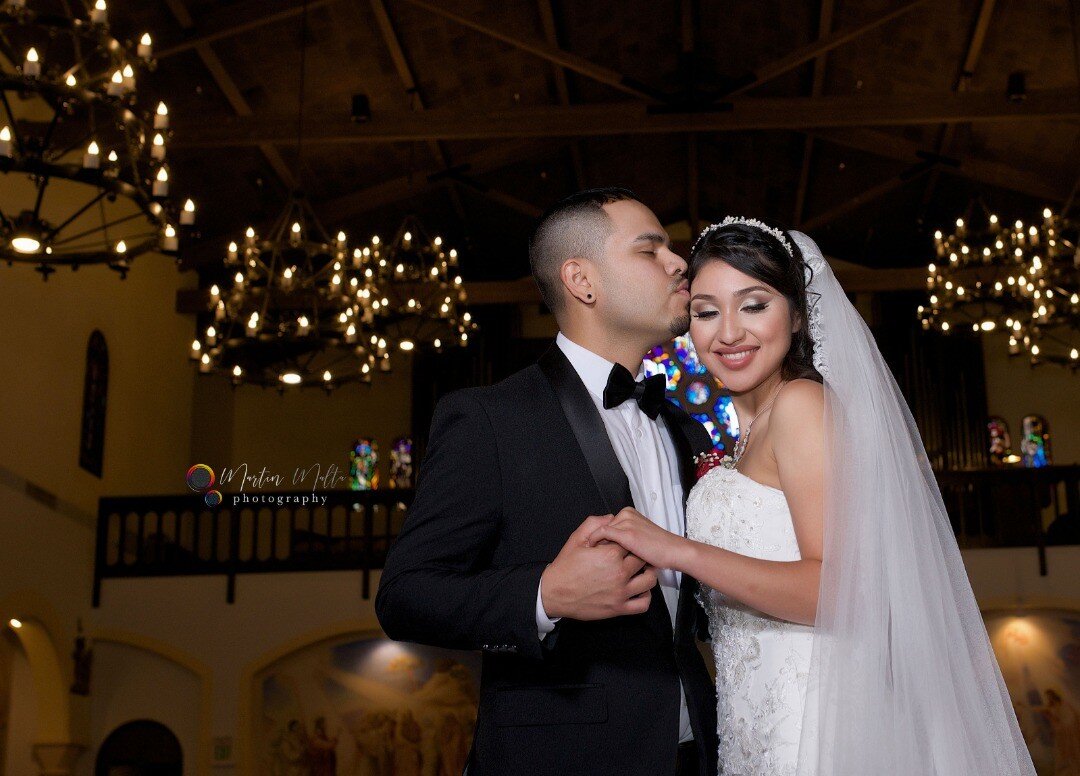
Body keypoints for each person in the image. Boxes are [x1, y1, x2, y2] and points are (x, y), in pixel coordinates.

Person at [585, 218, 1037, 775]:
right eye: (706, 311)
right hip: (752, 720)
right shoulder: (747, 430)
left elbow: (838, 589)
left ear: (797, 315)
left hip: (816, 724)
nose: (728, 332)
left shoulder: (801, 405)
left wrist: (674, 549)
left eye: (754, 305)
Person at [376, 188, 718, 775]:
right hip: (563, 756)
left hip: (698, 751)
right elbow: (406, 596)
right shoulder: (489, 419)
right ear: (582, 280)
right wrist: (546, 595)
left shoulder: (683, 429)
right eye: (649, 248)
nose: (679, 261)